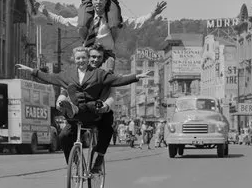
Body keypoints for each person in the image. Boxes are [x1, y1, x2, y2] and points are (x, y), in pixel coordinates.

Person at [16, 46, 152, 172]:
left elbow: (117, 80)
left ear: (87, 59)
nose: (83, 60)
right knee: (63, 136)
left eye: (84, 58)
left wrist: (135, 77)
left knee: (100, 117)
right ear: (74, 60)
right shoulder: (68, 75)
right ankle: (74, 161)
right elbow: (51, 78)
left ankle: (98, 157)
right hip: (77, 115)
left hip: (96, 112)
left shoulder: (100, 74)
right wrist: (33, 71)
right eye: (79, 58)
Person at [37, 0, 167, 72]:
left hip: (106, 55)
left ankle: (104, 105)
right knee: (76, 77)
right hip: (88, 53)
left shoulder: (114, 19)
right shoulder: (84, 19)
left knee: (108, 76)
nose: (98, 2)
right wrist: (47, 13)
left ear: (106, 2)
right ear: (92, 2)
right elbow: (63, 22)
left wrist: (153, 13)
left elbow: (136, 23)